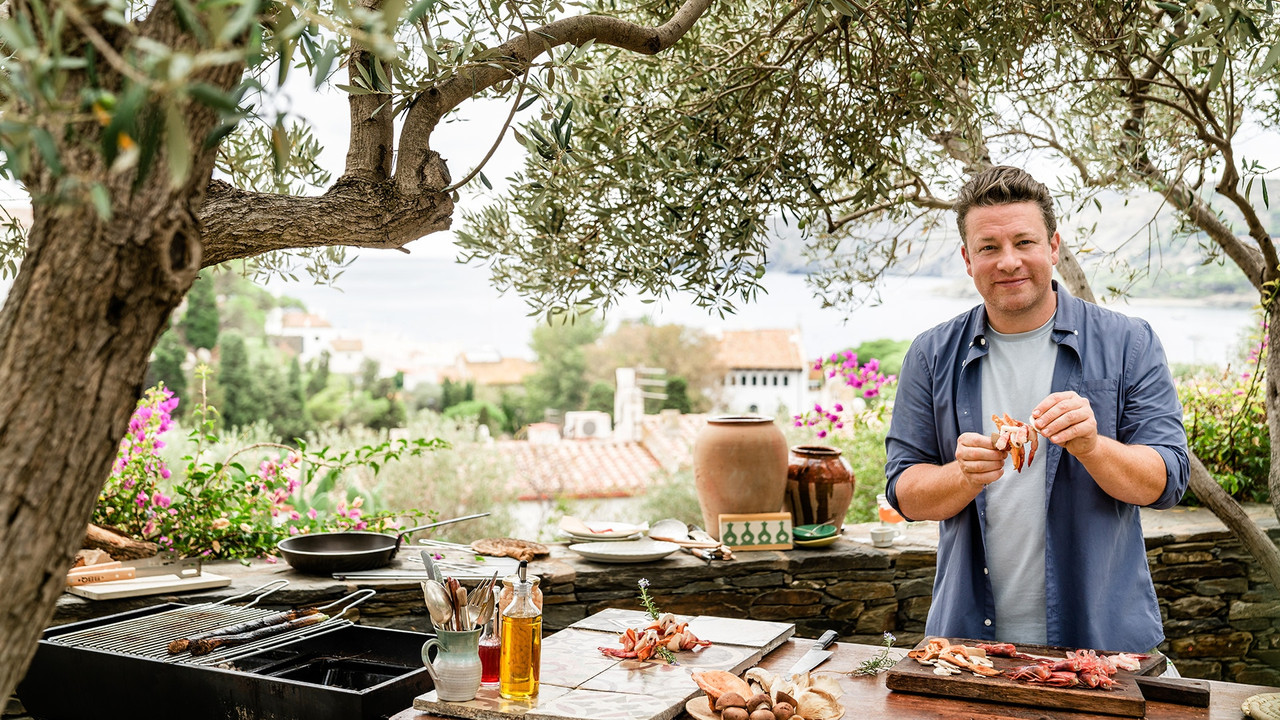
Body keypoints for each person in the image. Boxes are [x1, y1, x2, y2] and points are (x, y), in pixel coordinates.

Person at [884, 166, 1189, 654]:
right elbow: (904, 492)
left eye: (1024, 242)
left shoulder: (1130, 342)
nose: (1008, 262)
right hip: (967, 645)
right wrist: (963, 476)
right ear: (967, 258)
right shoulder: (930, 354)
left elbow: (1168, 481)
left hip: (1103, 641)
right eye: (989, 247)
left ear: (1053, 247)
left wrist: (1091, 447)